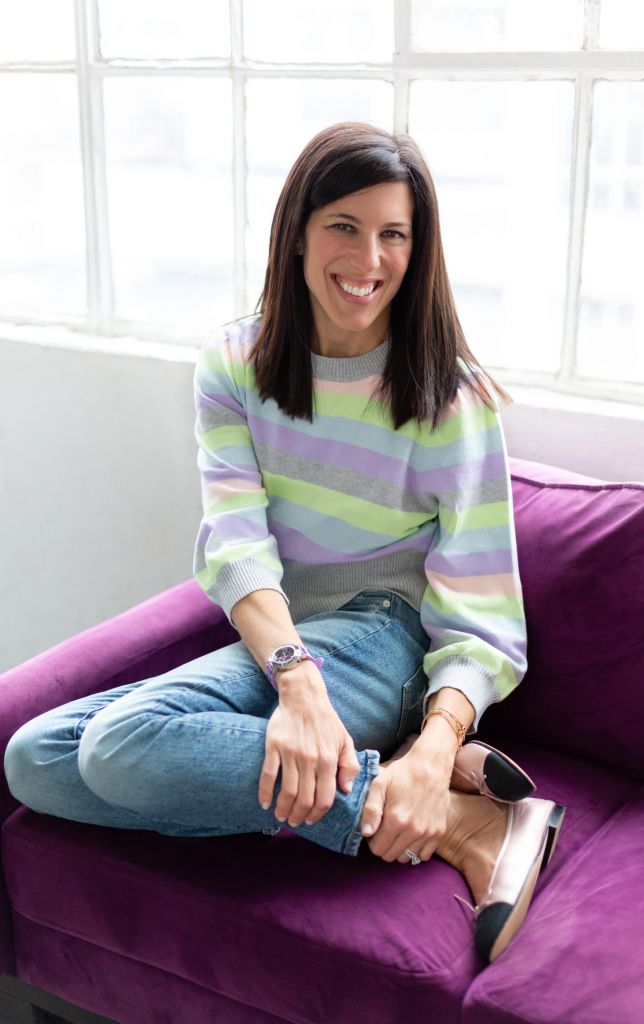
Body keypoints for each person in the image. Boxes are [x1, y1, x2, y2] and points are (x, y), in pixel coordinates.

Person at [4, 121, 564, 964]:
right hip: (288, 640)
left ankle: (456, 805)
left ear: (419, 249)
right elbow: (235, 546)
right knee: (35, 760)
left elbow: (481, 609)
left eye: (393, 234)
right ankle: (431, 806)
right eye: (343, 226)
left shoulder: (451, 398)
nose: (367, 258)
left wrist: (439, 736)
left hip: (387, 635)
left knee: (118, 747)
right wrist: (297, 685)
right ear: (297, 229)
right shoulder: (234, 364)